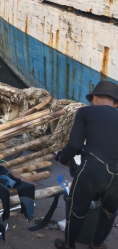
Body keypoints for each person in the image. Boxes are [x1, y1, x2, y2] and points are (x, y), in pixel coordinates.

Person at [55, 81, 118, 249]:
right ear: (116, 103)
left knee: (77, 211)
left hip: (92, 170)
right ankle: (96, 245)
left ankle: (69, 245)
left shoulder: (85, 112)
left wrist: (63, 159)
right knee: (109, 213)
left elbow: (74, 145)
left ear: (95, 97)